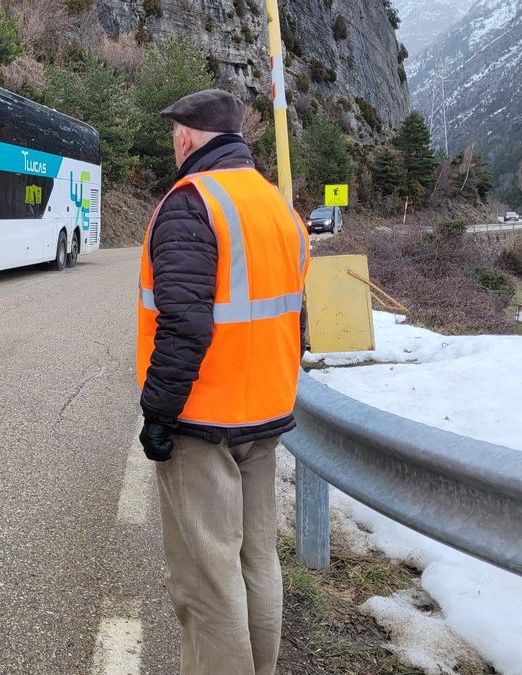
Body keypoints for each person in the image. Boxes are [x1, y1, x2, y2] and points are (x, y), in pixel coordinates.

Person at [136, 89, 309, 675]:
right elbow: (295, 315)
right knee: (256, 561)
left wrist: (159, 414)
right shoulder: (278, 206)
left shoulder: (192, 202)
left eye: (173, 135)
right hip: (266, 413)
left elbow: (183, 323)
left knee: (207, 581)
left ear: (186, 137)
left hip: (203, 419)